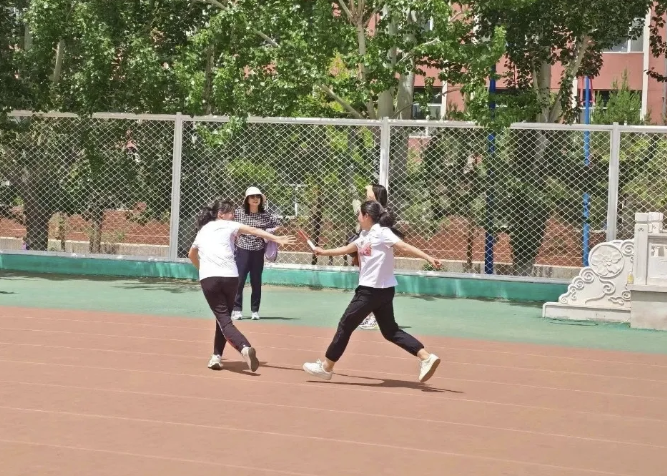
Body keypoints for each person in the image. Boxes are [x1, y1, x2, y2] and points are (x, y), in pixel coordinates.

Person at [303, 200, 442, 383]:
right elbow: (347, 249)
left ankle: (326, 367)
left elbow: (403, 246)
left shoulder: (382, 232)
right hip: (383, 292)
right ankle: (426, 357)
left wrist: (428, 257)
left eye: (359, 215)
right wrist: (323, 251)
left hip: (370, 292)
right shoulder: (364, 235)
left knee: (345, 325)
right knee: (390, 331)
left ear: (367, 216)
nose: (357, 218)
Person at [188, 199, 295, 372]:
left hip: (210, 279)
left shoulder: (203, 230)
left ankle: (244, 347)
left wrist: (202, 268)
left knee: (223, 320)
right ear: (221, 214)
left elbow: (191, 254)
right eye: (230, 212)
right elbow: (254, 230)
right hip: (231, 277)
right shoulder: (230, 225)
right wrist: (276, 238)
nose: (233, 215)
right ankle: (216, 356)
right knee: (223, 319)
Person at [232, 186, 280, 321]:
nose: (255, 199)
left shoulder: (266, 215)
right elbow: (230, 225)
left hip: (258, 251)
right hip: (242, 250)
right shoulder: (239, 213)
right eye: (252, 197)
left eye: (257, 197)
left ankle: (255, 310)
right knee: (239, 280)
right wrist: (238, 233)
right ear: (247, 199)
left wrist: (268, 233)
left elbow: (277, 224)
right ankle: (237, 309)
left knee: (256, 280)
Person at [349, 184, 390, 331]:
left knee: (371, 288)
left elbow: (372, 197)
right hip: (366, 254)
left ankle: (371, 317)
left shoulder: (380, 213)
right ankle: (371, 316)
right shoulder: (370, 211)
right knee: (366, 286)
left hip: (374, 257)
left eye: (369, 193)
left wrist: (368, 187)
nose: (366, 195)